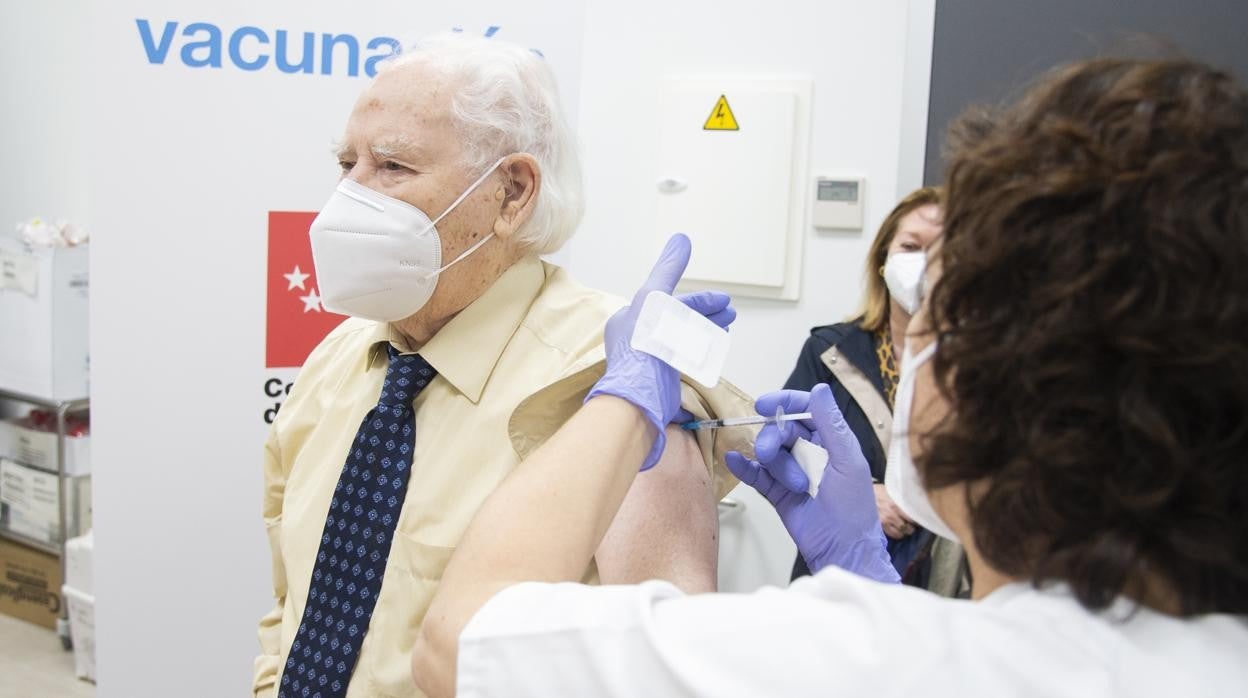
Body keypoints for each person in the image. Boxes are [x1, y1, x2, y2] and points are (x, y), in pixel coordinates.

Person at [410, 56, 1248, 697]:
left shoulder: (858, 662)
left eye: (935, 311)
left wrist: (625, 398)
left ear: (988, 376)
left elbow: (461, 639)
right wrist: (868, 573)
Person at [253, 34, 752, 698]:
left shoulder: (620, 393)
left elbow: (656, 678)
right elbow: (291, 609)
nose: (349, 197)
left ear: (512, 193)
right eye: (347, 164)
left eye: (393, 167)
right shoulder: (336, 361)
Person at [782, 187, 960, 590]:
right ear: (883, 260)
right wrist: (858, 496)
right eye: (911, 246)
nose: (925, 264)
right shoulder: (829, 351)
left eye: (941, 251)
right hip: (838, 572)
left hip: (936, 581)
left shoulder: (980, 361)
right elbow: (788, 444)